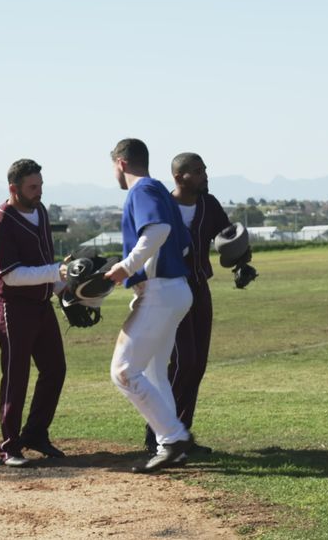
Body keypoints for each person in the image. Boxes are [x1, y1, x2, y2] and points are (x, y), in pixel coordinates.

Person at [104, 138, 196, 473]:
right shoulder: (158, 190)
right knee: (155, 372)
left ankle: (172, 438)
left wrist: (128, 268)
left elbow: (158, 229)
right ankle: (171, 446)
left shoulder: (141, 191)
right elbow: (181, 246)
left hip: (162, 293)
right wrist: (141, 277)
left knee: (124, 372)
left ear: (121, 163)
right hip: (175, 290)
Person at [142, 152, 232, 455]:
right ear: (179, 177)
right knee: (183, 362)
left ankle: (181, 431)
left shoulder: (209, 204)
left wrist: (241, 261)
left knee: (197, 365)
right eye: (198, 171)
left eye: (205, 169)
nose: (205, 175)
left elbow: (227, 237)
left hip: (199, 289)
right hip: (169, 290)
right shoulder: (161, 207)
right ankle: (160, 431)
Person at [0, 159, 68, 467]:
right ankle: (10, 445)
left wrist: (62, 289)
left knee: (55, 369)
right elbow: (10, 275)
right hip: (14, 308)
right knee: (16, 376)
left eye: (41, 185)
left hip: (42, 305)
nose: (39, 192)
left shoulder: (40, 212)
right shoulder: (0, 222)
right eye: (32, 187)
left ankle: (35, 433)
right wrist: (55, 272)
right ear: (13, 188)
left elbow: (46, 260)